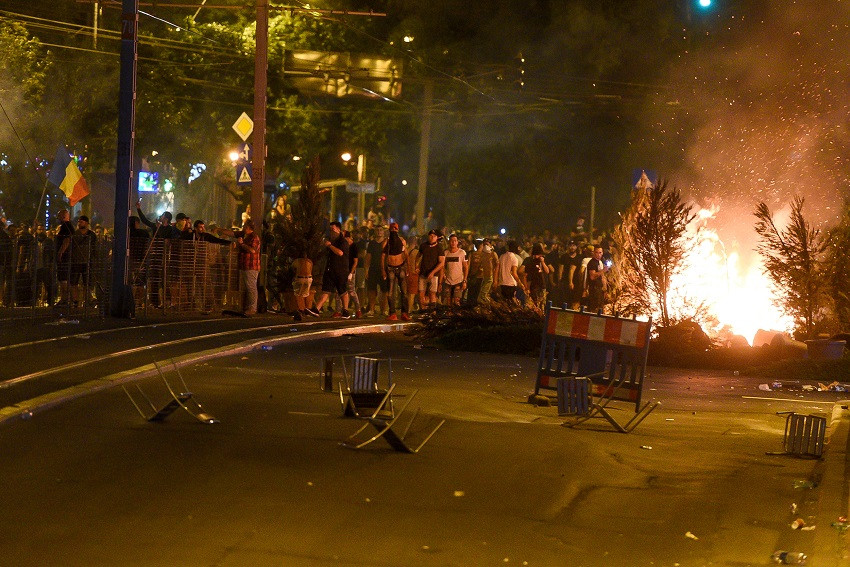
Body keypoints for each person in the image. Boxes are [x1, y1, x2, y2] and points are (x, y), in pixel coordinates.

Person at [311, 221, 351, 317]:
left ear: (338, 229)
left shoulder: (343, 242)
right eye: (330, 230)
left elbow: (340, 253)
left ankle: (345, 310)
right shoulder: (330, 240)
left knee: (342, 291)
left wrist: (330, 246)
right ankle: (317, 309)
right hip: (330, 269)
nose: (331, 232)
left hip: (341, 270)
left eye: (333, 229)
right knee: (326, 290)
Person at [383, 222, 409, 321]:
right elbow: (383, 256)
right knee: (390, 293)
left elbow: (406, 255)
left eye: (395, 229)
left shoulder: (402, 241)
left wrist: (408, 269)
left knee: (404, 292)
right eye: (392, 229)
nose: (394, 230)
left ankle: (404, 313)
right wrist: (383, 270)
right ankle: (392, 313)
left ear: (397, 230)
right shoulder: (387, 242)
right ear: (390, 230)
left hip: (401, 267)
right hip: (390, 269)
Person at [235, 220, 261, 315]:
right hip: (245, 265)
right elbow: (232, 233)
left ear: (248, 227)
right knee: (247, 287)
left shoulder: (254, 238)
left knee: (251, 287)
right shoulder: (245, 236)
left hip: (251, 266)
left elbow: (252, 250)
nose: (243, 227)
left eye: (244, 226)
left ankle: (252, 308)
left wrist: (242, 244)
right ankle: (247, 307)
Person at [70, 215, 96, 307]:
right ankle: (75, 301)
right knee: (74, 283)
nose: (79, 223)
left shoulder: (92, 235)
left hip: (87, 262)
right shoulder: (74, 234)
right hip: (76, 262)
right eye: (79, 221)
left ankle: (87, 300)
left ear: (86, 223)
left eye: (81, 221)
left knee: (87, 283)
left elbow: (94, 248)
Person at [416, 229, 445, 310]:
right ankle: (423, 311)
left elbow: (442, 263)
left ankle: (432, 312)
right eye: (431, 236)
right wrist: (416, 266)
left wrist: (433, 272)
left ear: (437, 238)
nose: (432, 237)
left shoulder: (439, 247)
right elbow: (418, 256)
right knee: (421, 293)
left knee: (432, 294)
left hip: (434, 275)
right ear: (428, 236)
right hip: (423, 273)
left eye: (434, 236)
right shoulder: (423, 246)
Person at [364, 226, 388, 316]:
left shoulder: (387, 243)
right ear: (374, 232)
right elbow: (368, 257)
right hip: (373, 269)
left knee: (384, 290)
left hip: (384, 270)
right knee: (371, 290)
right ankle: (372, 309)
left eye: (381, 230)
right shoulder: (371, 244)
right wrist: (366, 270)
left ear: (383, 232)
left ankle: (384, 310)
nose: (379, 232)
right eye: (377, 230)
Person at [519, 242, 550, 308]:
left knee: (541, 305)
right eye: (536, 255)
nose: (537, 256)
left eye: (539, 255)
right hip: (532, 286)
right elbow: (522, 271)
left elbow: (547, 271)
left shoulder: (543, 260)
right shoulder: (529, 260)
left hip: (542, 285)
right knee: (532, 305)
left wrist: (542, 262)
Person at [468, 237, 498, 305]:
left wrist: (495, 280)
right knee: (479, 296)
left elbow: (497, 267)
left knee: (484, 295)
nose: (485, 246)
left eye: (487, 244)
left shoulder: (493, 254)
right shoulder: (478, 254)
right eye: (484, 245)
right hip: (480, 278)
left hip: (488, 277)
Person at [441, 233, 468, 307]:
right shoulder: (446, 253)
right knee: (448, 300)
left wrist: (465, 280)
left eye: (455, 241)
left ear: (457, 242)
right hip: (448, 280)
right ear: (449, 242)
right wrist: (443, 274)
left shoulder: (462, 252)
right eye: (451, 241)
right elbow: (442, 265)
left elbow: (465, 267)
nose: (453, 242)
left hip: (458, 280)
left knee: (456, 301)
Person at [55, 209, 75, 305]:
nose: (58, 219)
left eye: (59, 216)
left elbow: (67, 239)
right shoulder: (68, 226)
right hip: (65, 256)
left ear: (63, 216)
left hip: (64, 257)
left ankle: (65, 299)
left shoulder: (66, 226)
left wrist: (60, 252)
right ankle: (65, 299)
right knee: (63, 279)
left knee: (63, 279)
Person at [585, 245, 609, 312]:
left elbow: (602, 276)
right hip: (594, 289)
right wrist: (603, 270)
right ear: (593, 253)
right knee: (594, 309)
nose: (598, 254)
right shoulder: (592, 263)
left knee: (600, 308)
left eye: (600, 252)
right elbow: (592, 276)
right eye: (596, 252)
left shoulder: (599, 262)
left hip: (599, 289)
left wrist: (604, 289)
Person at [291, 253, 313, 321]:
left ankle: (301, 310)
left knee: (298, 294)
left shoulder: (296, 261)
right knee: (306, 294)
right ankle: (307, 309)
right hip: (309, 278)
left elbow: (293, 269)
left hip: (300, 278)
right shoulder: (309, 261)